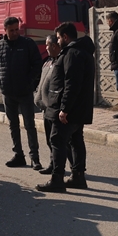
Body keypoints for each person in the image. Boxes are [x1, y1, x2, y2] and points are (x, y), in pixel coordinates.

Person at [36, 23, 95, 193]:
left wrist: (64, 108)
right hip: (80, 108)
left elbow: (71, 84)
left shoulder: (72, 54)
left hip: (69, 109)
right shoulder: (83, 52)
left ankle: (57, 179)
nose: (58, 41)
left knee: (57, 140)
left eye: (59, 37)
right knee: (76, 140)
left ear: (66, 37)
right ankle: (78, 177)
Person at [0, 16, 43, 169]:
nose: (15, 33)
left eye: (17, 29)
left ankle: (35, 157)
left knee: (29, 125)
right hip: (8, 92)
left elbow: (37, 63)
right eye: (11, 30)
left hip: (25, 92)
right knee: (13, 125)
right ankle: (18, 155)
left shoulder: (27, 44)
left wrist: (30, 81)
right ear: (5, 30)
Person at [33, 34, 67, 176]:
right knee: (49, 139)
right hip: (44, 107)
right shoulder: (47, 62)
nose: (45, 48)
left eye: (47, 45)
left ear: (54, 45)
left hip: (55, 108)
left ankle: (61, 166)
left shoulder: (61, 62)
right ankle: (53, 164)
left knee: (57, 141)